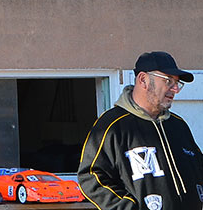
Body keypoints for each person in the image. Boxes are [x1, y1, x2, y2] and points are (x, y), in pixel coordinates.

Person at [78, 51, 203, 210]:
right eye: (168, 81)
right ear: (143, 79)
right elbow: (91, 177)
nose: (176, 89)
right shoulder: (111, 126)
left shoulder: (178, 125)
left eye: (177, 83)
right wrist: (128, 207)